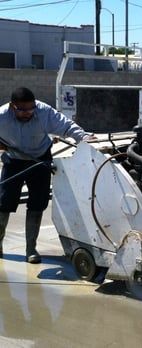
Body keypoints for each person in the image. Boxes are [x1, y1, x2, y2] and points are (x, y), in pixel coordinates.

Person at [0, 87, 94, 263]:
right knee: (3, 204)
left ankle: (31, 249)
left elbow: (66, 126)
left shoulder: (44, 112)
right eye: (23, 110)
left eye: (31, 108)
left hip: (40, 159)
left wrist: (84, 138)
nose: (28, 113)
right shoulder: (2, 116)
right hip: (13, 160)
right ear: (13, 107)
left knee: (37, 204)